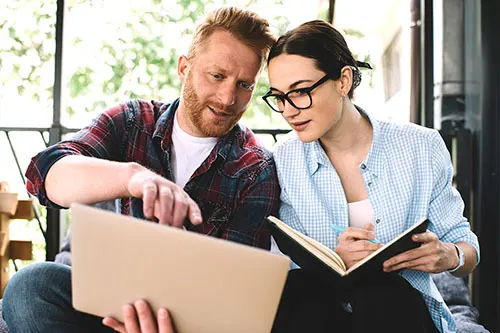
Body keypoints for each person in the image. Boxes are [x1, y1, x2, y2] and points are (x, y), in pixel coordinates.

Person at [2, 7, 279, 333]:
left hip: (182, 326)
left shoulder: (256, 169)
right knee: (30, 285)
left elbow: (234, 297)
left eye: (245, 84)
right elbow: (44, 176)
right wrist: (132, 176)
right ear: (184, 68)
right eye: (217, 76)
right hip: (95, 309)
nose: (228, 97)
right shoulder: (132, 122)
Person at [263, 20, 479, 333]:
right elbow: (288, 262)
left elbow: (466, 247)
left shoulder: (420, 147)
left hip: (398, 313)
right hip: (322, 314)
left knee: (380, 292)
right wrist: (336, 259)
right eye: (279, 97)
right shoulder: (285, 158)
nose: (288, 110)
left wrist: (450, 255)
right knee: (301, 295)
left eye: (300, 92)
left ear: (343, 81)